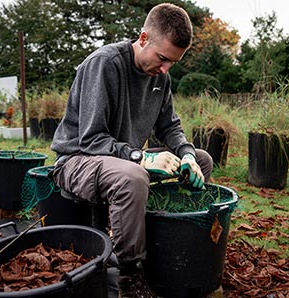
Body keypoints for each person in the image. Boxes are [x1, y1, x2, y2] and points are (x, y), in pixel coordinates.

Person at [50, 3, 213, 297]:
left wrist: (187, 154)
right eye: (163, 58)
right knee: (133, 176)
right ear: (143, 38)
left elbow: (170, 127)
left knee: (202, 160)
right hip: (77, 161)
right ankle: (130, 275)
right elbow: (91, 139)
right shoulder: (105, 64)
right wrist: (143, 157)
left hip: (122, 161)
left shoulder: (160, 77)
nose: (165, 69)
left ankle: (170, 244)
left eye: (173, 63)